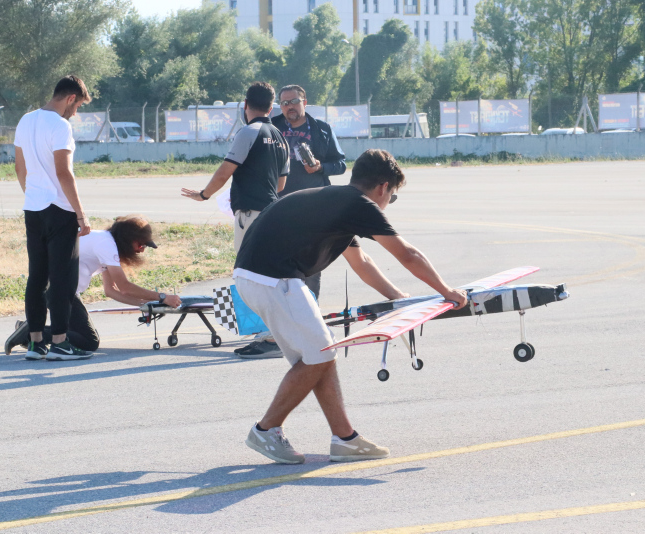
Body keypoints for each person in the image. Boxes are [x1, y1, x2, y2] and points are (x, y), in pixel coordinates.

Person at [234, 149, 469, 464]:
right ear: (383, 188)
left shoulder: (336, 203)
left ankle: (345, 439)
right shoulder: (359, 204)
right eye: (391, 197)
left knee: (320, 356)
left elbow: (362, 262)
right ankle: (266, 429)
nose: (387, 203)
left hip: (258, 277)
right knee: (320, 355)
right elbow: (407, 254)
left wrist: (396, 297)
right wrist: (447, 291)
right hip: (273, 279)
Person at [234, 84, 348, 359]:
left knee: (310, 268)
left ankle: (310, 326)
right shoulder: (270, 127)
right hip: (279, 209)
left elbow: (341, 164)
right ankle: (273, 333)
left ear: (305, 102)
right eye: (284, 103)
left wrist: (320, 167)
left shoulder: (322, 129)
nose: (289, 107)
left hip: (314, 208)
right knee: (275, 271)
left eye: (294, 101)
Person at [4, 215, 182, 356]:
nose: (142, 250)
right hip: (61, 289)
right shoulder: (107, 245)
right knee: (88, 341)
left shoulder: (104, 241)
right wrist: (162, 297)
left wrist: (146, 305)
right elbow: (125, 287)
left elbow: (111, 291)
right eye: (141, 244)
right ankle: (32, 331)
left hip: (60, 288)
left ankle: (32, 330)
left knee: (79, 335)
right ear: (128, 239)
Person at [14, 75, 94, 361]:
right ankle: (60, 343)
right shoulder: (60, 126)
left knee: (37, 276)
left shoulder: (26, 120)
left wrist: (32, 194)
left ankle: (36, 343)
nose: (76, 112)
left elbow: (19, 167)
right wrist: (81, 214)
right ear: (71, 98)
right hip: (59, 209)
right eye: (78, 105)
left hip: (33, 208)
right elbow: (64, 172)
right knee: (62, 278)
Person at [180, 81, 290, 251]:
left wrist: (203, 195)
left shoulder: (248, 131)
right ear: (270, 109)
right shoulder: (282, 138)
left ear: (245, 104)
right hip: (271, 212)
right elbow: (280, 185)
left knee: (246, 264)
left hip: (249, 214)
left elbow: (223, 174)